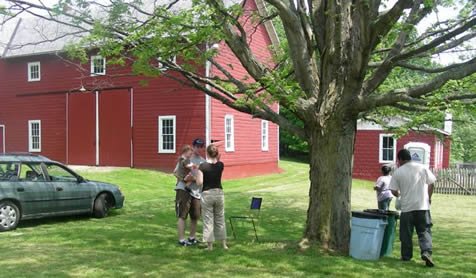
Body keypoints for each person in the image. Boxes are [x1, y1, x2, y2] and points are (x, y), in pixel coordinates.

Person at [389, 149, 436, 267]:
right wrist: (429, 198)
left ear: (399, 159)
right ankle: (426, 252)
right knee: (424, 231)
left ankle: (406, 256)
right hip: (422, 206)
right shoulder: (422, 167)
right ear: (410, 157)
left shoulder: (398, 172)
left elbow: (393, 190)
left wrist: (399, 195)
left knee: (406, 233)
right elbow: (431, 183)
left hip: (407, 208)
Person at [196, 144, 228, 251]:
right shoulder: (220, 165)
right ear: (217, 154)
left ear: (207, 153)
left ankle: (210, 246)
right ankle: (224, 244)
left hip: (207, 193)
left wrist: (197, 173)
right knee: (220, 218)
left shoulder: (203, 166)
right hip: (219, 193)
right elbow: (218, 160)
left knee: (208, 219)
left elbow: (199, 182)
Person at [174, 139, 205, 246]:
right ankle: (182, 240)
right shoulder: (186, 158)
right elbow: (175, 172)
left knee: (195, 216)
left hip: (196, 192)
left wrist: (195, 178)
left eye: (201, 147)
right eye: (196, 146)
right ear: (193, 147)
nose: (198, 149)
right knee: (182, 215)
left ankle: (192, 238)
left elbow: (202, 178)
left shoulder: (202, 161)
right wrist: (185, 180)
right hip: (183, 190)